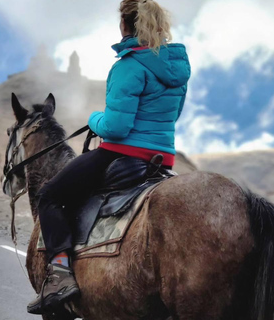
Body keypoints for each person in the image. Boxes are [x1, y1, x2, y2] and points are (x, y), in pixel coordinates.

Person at [27, 0, 191, 315]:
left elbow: (116, 128)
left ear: (126, 26)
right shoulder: (178, 66)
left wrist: (93, 119)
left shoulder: (128, 65)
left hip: (122, 152)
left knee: (49, 196)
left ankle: (60, 273)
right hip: (161, 158)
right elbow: (174, 115)